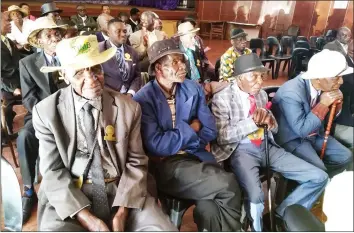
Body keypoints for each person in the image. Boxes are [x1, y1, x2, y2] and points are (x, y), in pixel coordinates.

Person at [33, 35, 177, 231]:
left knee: (162, 229)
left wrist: (122, 213)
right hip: (72, 192)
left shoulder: (128, 107)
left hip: (123, 190)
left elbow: (137, 162)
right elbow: (52, 172)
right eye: (79, 73)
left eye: (96, 69)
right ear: (64, 76)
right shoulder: (46, 112)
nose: (91, 79)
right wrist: (89, 220)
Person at [133, 39, 242, 232]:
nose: (183, 66)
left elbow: (209, 129)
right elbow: (157, 145)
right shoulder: (144, 98)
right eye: (175, 62)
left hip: (196, 155)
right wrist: (192, 128)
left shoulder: (192, 88)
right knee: (229, 184)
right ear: (159, 68)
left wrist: (181, 140)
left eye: (182, 60)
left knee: (209, 207)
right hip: (166, 166)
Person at [211, 53, 328, 231]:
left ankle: (280, 215)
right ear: (239, 78)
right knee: (257, 196)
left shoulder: (261, 96)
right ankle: (256, 228)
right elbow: (222, 137)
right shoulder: (223, 99)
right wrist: (253, 123)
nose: (260, 81)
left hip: (267, 146)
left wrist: (270, 121)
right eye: (254, 76)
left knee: (319, 177)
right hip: (240, 150)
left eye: (261, 76)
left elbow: (274, 129)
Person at [17, 17, 68, 224]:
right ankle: (29, 190)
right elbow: (29, 98)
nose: (55, 37)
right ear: (39, 40)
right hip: (41, 114)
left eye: (57, 33)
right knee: (24, 136)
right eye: (49, 35)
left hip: (70, 112)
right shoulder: (27, 63)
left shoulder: (69, 56)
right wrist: (47, 116)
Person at [272, 50, 353, 178]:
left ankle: (322, 182)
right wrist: (323, 105)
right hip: (293, 139)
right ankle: (314, 181)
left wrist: (337, 105)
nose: (341, 81)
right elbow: (302, 130)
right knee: (318, 171)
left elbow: (325, 120)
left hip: (315, 134)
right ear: (317, 78)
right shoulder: (291, 93)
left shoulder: (325, 86)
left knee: (345, 156)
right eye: (336, 77)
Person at [99, 18, 141, 96]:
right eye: (118, 31)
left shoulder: (132, 51)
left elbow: (137, 76)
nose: (123, 34)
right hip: (108, 95)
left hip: (130, 96)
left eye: (124, 31)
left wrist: (131, 93)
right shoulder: (99, 50)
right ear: (108, 33)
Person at [1, 10, 22, 137]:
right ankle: (4, 134)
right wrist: (13, 88)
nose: (10, 23)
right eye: (6, 20)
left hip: (15, 79)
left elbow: (17, 63)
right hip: (4, 83)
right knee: (6, 105)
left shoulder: (8, 41)